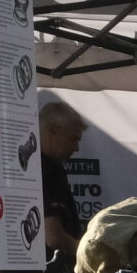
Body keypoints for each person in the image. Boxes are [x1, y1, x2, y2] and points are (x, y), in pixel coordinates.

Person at [38, 100, 88, 255]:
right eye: (73, 139)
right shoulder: (48, 170)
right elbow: (52, 237)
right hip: (55, 270)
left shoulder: (31, 166)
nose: (76, 148)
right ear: (53, 131)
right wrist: (86, 256)